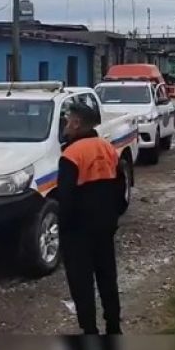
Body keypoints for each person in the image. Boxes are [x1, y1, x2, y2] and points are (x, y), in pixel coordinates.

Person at [56, 101, 127, 335]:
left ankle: (90, 330)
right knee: (108, 277)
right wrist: (114, 216)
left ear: (77, 124)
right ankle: (114, 326)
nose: (66, 125)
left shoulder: (71, 154)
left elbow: (65, 198)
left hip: (78, 231)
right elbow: (120, 186)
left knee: (81, 283)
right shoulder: (107, 148)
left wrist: (63, 228)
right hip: (104, 227)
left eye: (68, 120)